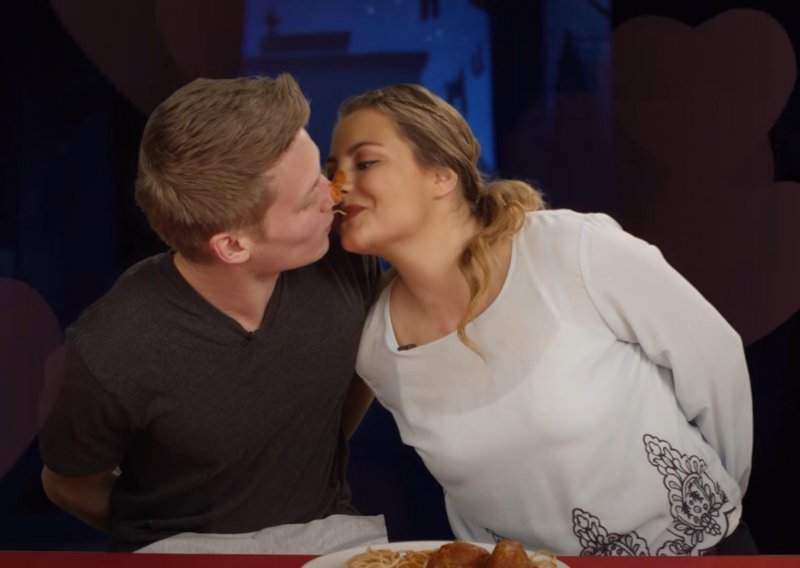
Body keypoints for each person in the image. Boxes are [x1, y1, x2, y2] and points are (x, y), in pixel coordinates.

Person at [326, 83, 755, 556]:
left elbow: (716, 364)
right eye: (332, 170)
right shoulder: (377, 345)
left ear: (440, 176)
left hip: (697, 555)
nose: (338, 185)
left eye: (365, 163)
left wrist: (713, 512)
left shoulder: (571, 249)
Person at [38, 74, 381, 552]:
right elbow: (69, 485)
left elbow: (363, 372)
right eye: (309, 199)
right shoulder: (108, 351)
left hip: (328, 540)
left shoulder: (346, 257)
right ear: (233, 245)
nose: (335, 195)